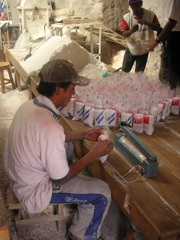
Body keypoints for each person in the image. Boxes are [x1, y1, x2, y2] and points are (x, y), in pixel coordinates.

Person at [3, 59, 113, 240]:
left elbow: (43, 138)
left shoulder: (29, 106)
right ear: (58, 89)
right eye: (71, 88)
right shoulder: (49, 126)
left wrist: (82, 134)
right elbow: (61, 178)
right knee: (102, 192)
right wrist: (94, 154)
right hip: (33, 190)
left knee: (67, 144)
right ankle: (81, 235)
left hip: (19, 177)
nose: (73, 93)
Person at [121, 0, 160, 73]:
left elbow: (158, 27)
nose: (134, 8)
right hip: (131, 47)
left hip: (144, 49)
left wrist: (147, 23)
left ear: (141, 4)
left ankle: (137, 84)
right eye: (132, 5)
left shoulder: (150, 15)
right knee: (124, 71)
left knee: (139, 73)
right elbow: (124, 34)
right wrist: (131, 30)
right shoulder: (126, 17)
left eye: (136, 5)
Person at [149, 0, 180, 89]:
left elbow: (172, 22)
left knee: (173, 70)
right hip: (171, 35)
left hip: (175, 36)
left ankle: (173, 95)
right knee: (170, 68)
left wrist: (156, 41)